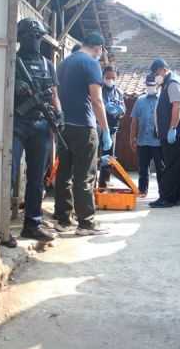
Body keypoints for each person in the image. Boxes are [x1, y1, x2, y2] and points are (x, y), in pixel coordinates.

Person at [10, 19, 62, 244]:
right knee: (7, 175)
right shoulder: (12, 61)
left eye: (38, 36)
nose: (35, 40)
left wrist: (59, 116)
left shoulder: (47, 64)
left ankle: (32, 224)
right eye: (30, 36)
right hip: (16, 123)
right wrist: (16, 89)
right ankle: (1, 227)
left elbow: (53, 94)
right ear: (20, 37)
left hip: (40, 125)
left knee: (36, 179)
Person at [54, 32, 110, 236]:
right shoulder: (91, 64)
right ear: (99, 48)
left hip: (64, 126)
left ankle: (62, 220)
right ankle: (86, 223)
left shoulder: (64, 64)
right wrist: (104, 129)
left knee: (64, 174)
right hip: (84, 127)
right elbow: (97, 100)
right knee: (84, 176)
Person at [148, 58, 180, 208]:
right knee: (174, 166)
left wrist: (172, 128)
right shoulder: (167, 83)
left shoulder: (173, 82)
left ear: (163, 69)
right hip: (173, 133)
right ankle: (175, 198)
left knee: (170, 166)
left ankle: (167, 198)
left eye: (156, 72)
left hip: (176, 133)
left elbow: (177, 106)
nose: (156, 75)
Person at [130, 73, 164, 199]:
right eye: (148, 85)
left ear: (157, 85)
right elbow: (134, 121)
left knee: (161, 168)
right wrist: (132, 138)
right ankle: (143, 190)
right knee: (143, 169)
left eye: (153, 85)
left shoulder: (162, 99)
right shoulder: (140, 100)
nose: (150, 87)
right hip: (142, 141)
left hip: (158, 142)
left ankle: (163, 192)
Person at [98, 65, 125, 188]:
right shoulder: (98, 89)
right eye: (108, 77)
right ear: (103, 76)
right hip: (98, 129)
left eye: (113, 77)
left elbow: (123, 110)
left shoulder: (118, 92)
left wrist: (119, 111)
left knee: (109, 159)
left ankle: (104, 183)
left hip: (112, 130)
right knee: (96, 157)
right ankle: (91, 184)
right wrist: (105, 108)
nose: (110, 79)